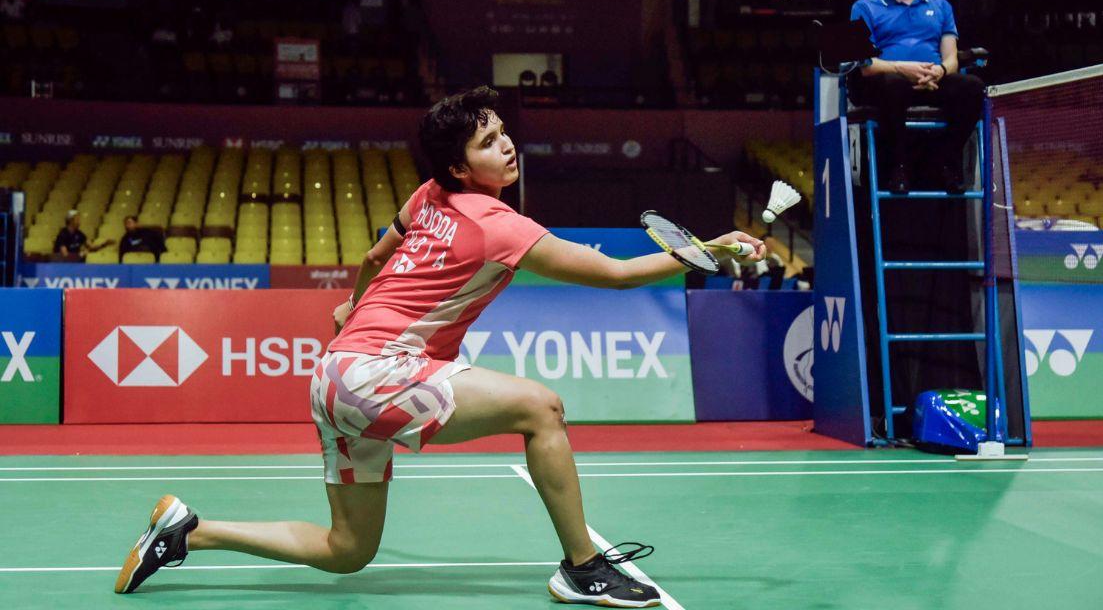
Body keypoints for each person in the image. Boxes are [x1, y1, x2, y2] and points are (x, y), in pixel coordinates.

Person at [115, 86, 765, 606]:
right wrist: (710, 251)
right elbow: (617, 276)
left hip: (336, 376)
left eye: (503, 132)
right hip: (376, 372)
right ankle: (584, 568)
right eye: (489, 142)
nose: (507, 146)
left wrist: (349, 305)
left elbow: (376, 252)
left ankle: (191, 531)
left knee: (348, 549)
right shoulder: (497, 224)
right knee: (542, 408)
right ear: (460, 166)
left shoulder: (429, 196)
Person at [849, 0, 984, 193]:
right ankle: (899, 166)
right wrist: (903, 68)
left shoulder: (941, 6)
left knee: (972, 87)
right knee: (893, 85)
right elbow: (866, 65)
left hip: (931, 80)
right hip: (886, 83)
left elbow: (951, 57)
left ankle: (948, 161)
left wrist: (940, 71)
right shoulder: (865, 7)